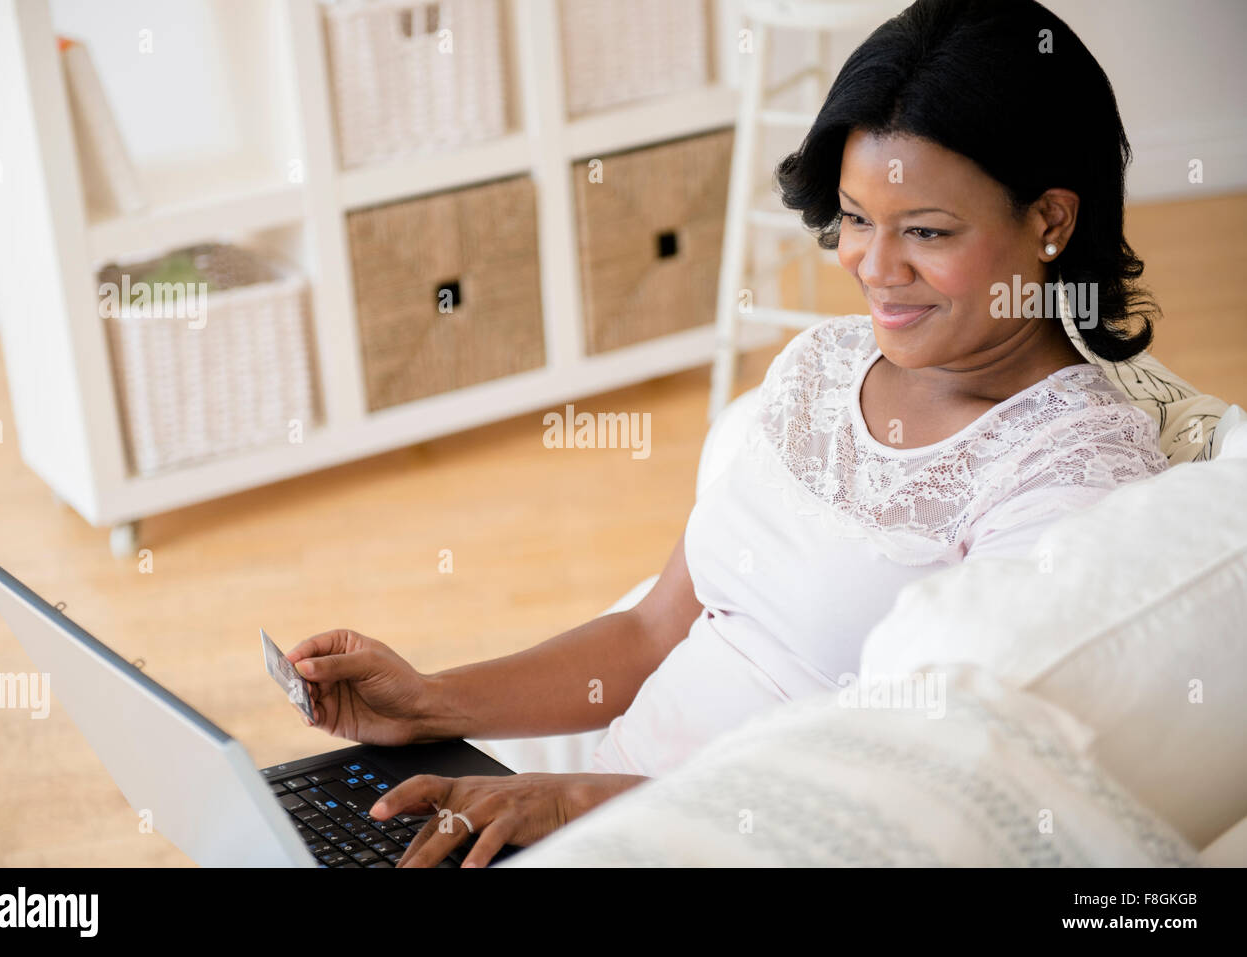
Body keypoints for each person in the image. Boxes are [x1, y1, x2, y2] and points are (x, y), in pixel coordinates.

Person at [287, 0, 1169, 867]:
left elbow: (910, 797)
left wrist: (580, 807)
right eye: (856, 219)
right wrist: (430, 705)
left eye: (928, 233)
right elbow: (648, 633)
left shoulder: (1073, 480)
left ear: (1051, 220)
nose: (875, 267)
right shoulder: (822, 363)